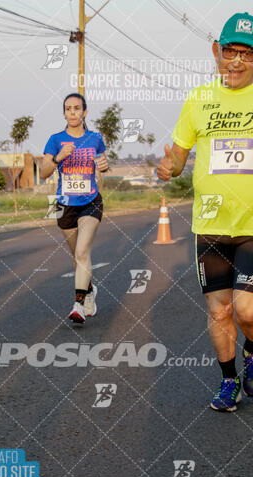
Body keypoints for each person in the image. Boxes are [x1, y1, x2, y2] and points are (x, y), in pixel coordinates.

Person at [157, 12, 253, 411]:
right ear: (217, 52)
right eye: (230, 50)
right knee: (219, 310)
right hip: (209, 224)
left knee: (247, 309)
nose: (237, 60)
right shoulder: (198, 99)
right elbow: (178, 155)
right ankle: (229, 381)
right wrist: (169, 167)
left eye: (247, 54)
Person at [41, 93, 108, 323]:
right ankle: (90, 291)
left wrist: (105, 166)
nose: (72, 112)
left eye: (77, 108)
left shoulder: (95, 138)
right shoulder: (55, 139)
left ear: (84, 112)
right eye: (68, 109)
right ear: (64, 113)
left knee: (82, 252)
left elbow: (102, 164)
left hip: (90, 202)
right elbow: (43, 172)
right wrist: (58, 157)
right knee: (77, 256)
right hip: (64, 205)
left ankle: (78, 304)